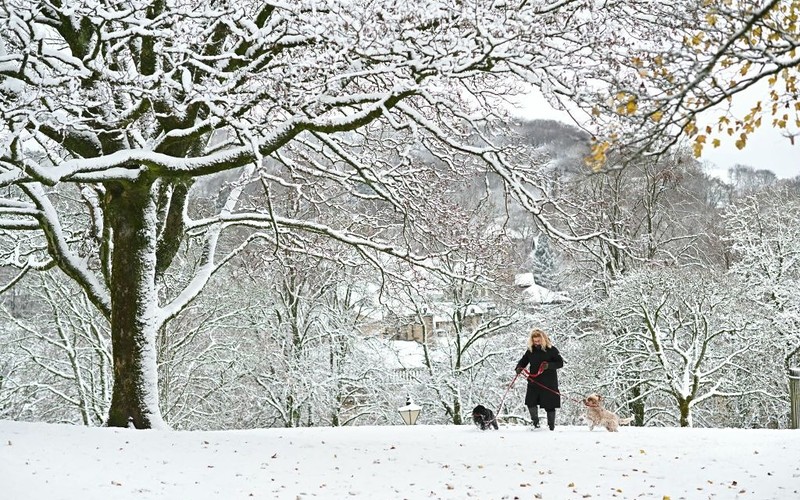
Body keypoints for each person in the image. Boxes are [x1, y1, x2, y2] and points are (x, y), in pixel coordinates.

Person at [514, 329, 564, 430]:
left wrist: (549, 365)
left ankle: (551, 427)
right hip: (534, 381)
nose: (537, 343)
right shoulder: (530, 350)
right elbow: (524, 361)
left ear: (543, 339)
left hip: (549, 382)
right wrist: (519, 367)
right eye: (535, 341)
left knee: (550, 405)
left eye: (538, 341)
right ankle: (535, 424)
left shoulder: (552, 350)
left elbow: (560, 363)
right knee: (530, 402)